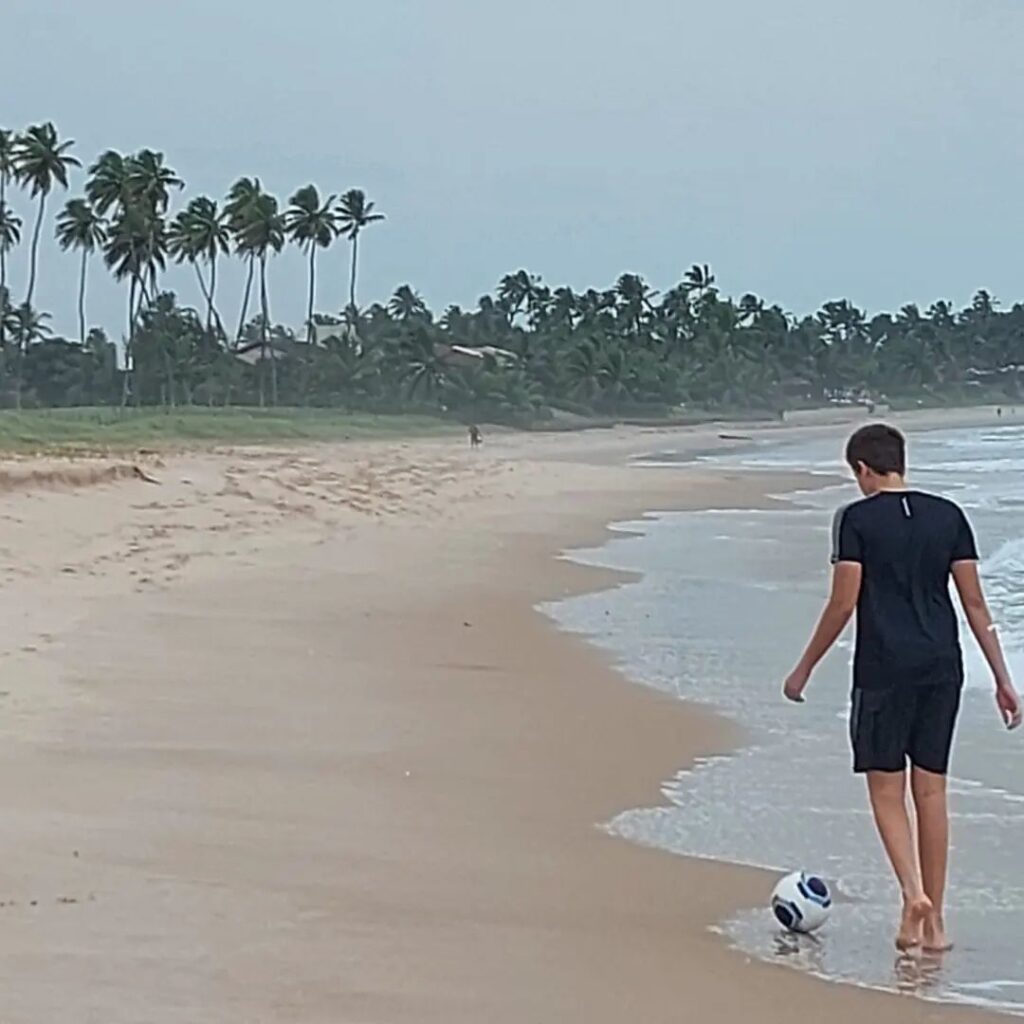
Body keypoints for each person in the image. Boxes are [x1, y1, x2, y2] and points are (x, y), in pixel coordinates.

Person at [782, 423, 1021, 953]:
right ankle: (935, 926)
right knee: (932, 790)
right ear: (900, 461)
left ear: (863, 469)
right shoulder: (949, 515)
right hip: (943, 665)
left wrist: (804, 668)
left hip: (884, 667)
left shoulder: (856, 520)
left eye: (856, 475)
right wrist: (1004, 679)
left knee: (886, 789)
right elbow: (976, 605)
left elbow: (844, 603)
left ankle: (914, 895)